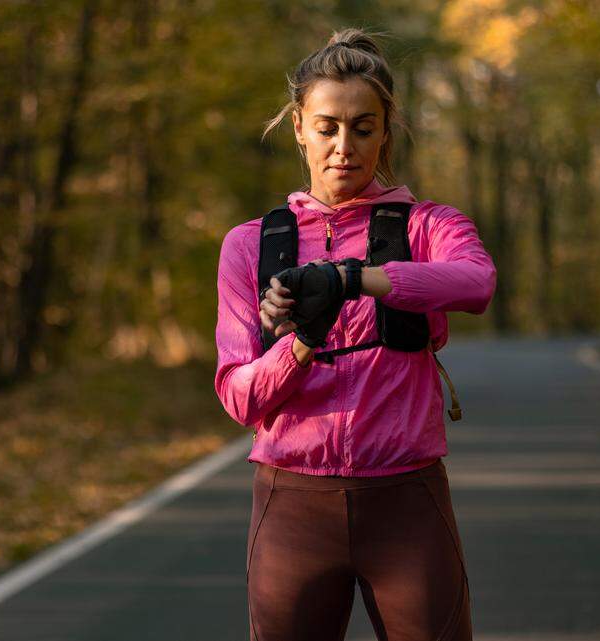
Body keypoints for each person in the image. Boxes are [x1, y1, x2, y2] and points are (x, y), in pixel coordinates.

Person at [213, 28, 497, 641]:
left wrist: (357, 279)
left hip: (406, 501)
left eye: (363, 128)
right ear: (298, 127)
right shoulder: (250, 245)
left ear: (385, 131)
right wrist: (299, 343)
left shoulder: (428, 226)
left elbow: (476, 284)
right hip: (293, 506)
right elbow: (240, 399)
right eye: (326, 127)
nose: (344, 146)